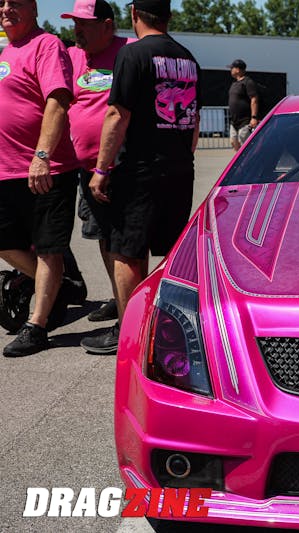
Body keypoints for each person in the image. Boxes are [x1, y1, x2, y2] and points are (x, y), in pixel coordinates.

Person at [81, 0, 201, 355]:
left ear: (134, 13)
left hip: (140, 171)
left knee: (127, 255)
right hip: (180, 170)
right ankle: (163, 331)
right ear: (168, 15)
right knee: (168, 255)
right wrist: (181, 157)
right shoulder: (188, 59)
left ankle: (132, 336)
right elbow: (194, 120)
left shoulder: (133, 54)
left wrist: (101, 169)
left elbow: (117, 114)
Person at [0, 0, 80, 356]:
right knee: (5, 240)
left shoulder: (47, 45)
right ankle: (56, 286)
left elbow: (58, 100)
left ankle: (37, 326)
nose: (6, 9)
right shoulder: (7, 51)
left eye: (15, 3)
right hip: (6, 170)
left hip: (45, 169)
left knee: (49, 247)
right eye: (2, 3)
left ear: (33, 8)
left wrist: (42, 156)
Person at [61, 0, 135, 324]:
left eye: (84, 24)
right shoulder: (72, 56)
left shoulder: (130, 51)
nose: (77, 30)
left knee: (126, 242)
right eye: (75, 23)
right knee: (104, 236)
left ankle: (132, 312)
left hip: (122, 166)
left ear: (107, 25)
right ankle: (119, 298)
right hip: (86, 169)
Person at [227, 58, 258, 151]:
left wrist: (254, 117)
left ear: (237, 69)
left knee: (245, 145)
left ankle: (249, 159)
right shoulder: (234, 83)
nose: (230, 70)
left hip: (245, 120)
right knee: (233, 142)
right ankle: (242, 159)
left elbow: (254, 99)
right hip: (234, 121)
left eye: (232, 68)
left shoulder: (248, 82)